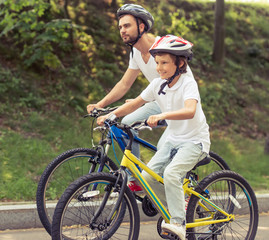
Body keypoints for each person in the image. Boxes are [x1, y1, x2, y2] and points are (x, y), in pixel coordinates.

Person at [97, 34, 210, 239]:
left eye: (165, 62)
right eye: (157, 62)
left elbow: (190, 110)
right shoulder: (158, 84)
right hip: (174, 139)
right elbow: (135, 103)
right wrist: (111, 115)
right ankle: (177, 212)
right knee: (147, 177)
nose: (159, 67)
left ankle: (178, 222)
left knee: (171, 174)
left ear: (180, 63)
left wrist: (164, 115)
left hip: (194, 141)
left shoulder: (188, 83)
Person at [87, 3, 194, 192]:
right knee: (126, 122)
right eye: (120, 27)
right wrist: (101, 104)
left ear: (141, 27)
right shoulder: (136, 52)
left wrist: (141, 100)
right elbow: (124, 84)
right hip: (160, 103)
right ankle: (135, 177)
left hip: (180, 106)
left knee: (164, 149)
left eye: (127, 25)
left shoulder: (164, 48)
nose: (122, 31)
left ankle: (181, 193)